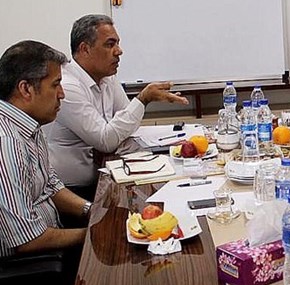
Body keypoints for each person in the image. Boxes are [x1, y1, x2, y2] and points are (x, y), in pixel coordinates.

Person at [0, 41, 90, 278]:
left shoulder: (26, 126)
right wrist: (93, 233)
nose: (62, 94)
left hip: (43, 255)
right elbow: (28, 240)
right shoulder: (0, 145)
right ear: (26, 89)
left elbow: (50, 185)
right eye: (55, 84)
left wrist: (91, 212)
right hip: (14, 278)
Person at [46, 14, 188, 197]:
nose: (119, 51)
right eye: (110, 44)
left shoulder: (107, 77)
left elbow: (128, 125)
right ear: (85, 49)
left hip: (106, 176)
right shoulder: (68, 87)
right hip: (72, 191)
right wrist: (143, 98)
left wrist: (115, 132)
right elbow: (106, 141)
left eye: (118, 44)